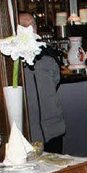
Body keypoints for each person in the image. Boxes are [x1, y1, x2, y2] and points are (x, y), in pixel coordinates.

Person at [19, 12, 66, 153]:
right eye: (24, 26)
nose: (31, 29)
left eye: (33, 24)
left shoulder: (48, 55)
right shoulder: (12, 60)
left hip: (53, 129)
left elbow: (56, 80)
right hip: (26, 132)